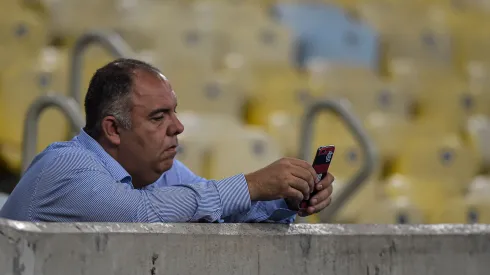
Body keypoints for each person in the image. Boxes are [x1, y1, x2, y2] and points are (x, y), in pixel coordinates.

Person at [0, 58, 334, 223]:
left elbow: (215, 214)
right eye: (159, 117)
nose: (178, 127)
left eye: (174, 112)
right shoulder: (66, 166)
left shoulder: (159, 172)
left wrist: (285, 200)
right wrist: (253, 184)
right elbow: (142, 216)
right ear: (113, 130)